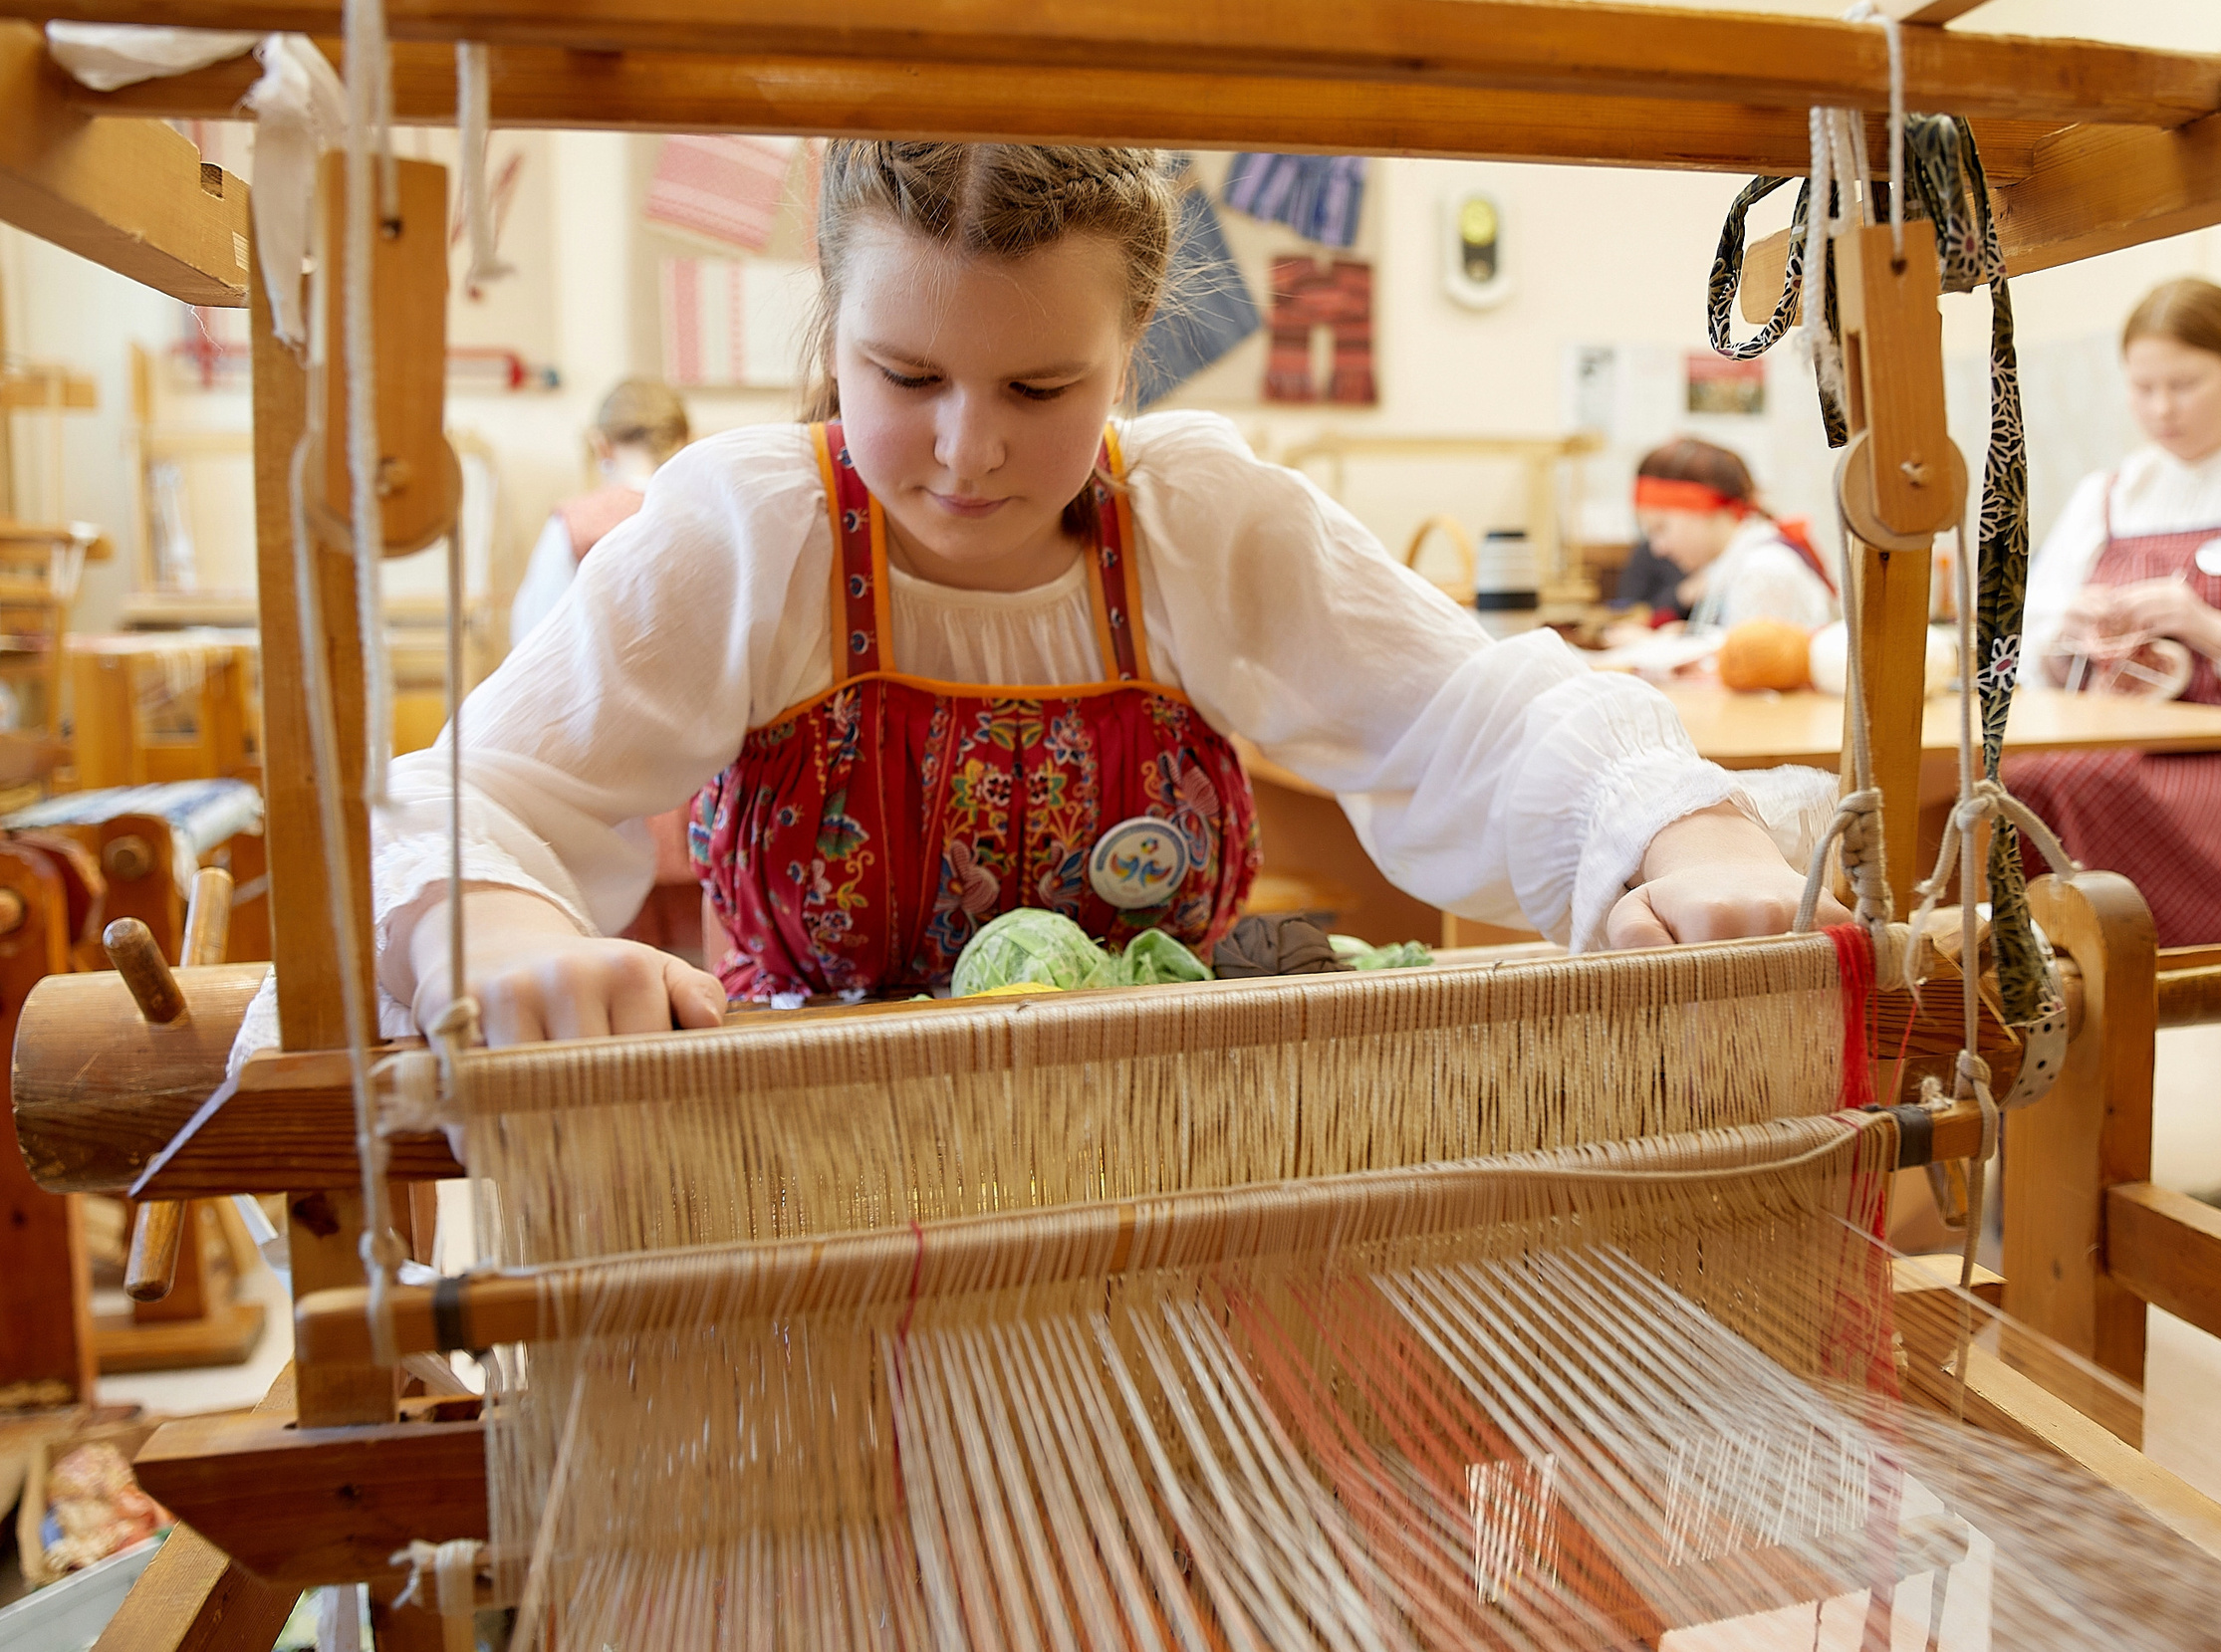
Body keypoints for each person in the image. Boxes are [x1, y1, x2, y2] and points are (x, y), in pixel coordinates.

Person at [378, 143, 1848, 1046]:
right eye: (903, 377)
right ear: (835, 331)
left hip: (1163, 1192)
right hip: (807, 1217)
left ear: (1133, 343)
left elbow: (1472, 719)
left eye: (1040, 384)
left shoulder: (1194, 521)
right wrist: (494, 937)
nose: (967, 447)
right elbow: (477, 797)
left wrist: (1687, 830)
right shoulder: (754, 532)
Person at [2007, 278, 2221, 947]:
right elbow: (2031, 644)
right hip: (2107, 747)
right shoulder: (2111, 493)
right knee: (1997, 783)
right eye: (2142, 388)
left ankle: (2091, 965)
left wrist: (2211, 627)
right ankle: (2041, 978)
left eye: (2184, 384)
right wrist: (2072, 627)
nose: (2162, 408)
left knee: (2052, 783)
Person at [507, 378, 691, 644]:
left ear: (601, 446)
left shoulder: (573, 526)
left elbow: (533, 640)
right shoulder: (711, 518)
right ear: (685, 440)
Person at [1611, 438, 1835, 629]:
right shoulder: (1732, 566)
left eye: (1661, 528)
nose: (1658, 548)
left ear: (1705, 510)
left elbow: (1754, 671)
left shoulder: (1762, 572)